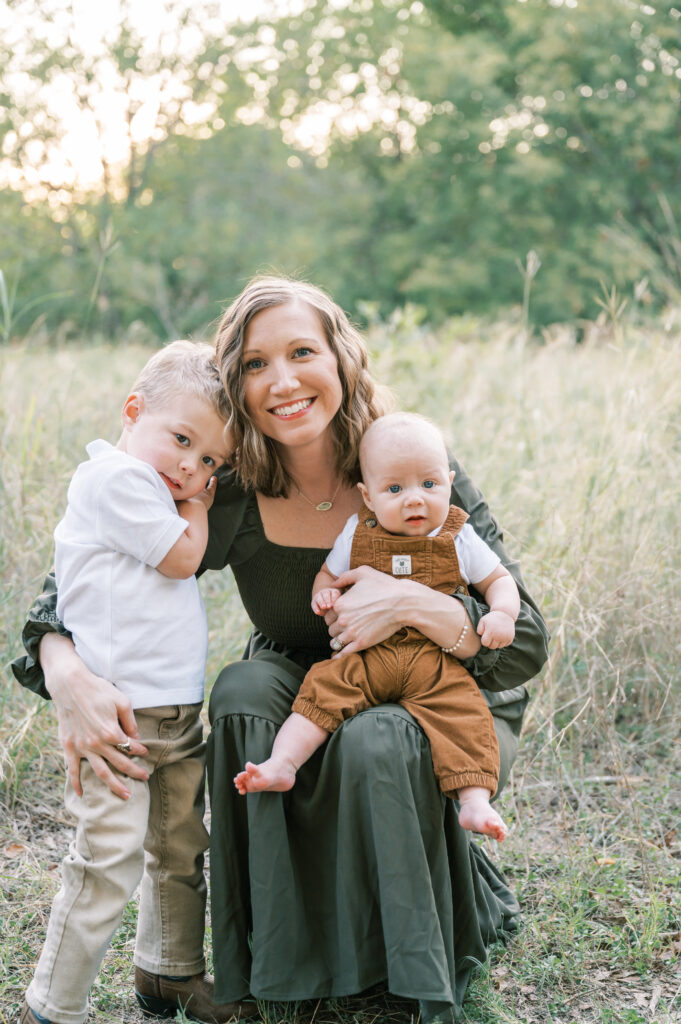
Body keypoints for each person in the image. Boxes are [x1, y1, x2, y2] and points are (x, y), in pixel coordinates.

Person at [13, 276, 549, 1024]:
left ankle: (408, 965)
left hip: (439, 693)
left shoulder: (405, 461)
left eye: (302, 352)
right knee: (241, 691)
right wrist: (66, 673)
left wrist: (414, 604)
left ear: (342, 358)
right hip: (310, 683)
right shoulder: (224, 484)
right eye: (256, 365)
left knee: (376, 736)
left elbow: (523, 641)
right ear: (236, 385)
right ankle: (278, 964)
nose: (283, 381)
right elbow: (74, 575)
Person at [17, 341, 248, 1024]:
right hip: (115, 715)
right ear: (132, 410)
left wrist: (196, 487)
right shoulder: (114, 479)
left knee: (179, 847)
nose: (191, 467)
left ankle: (168, 972)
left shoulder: (152, 483)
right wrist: (203, 501)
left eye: (211, 461)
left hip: (173, 708)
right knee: (107, 859)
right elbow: (182, 559)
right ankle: (53, 1007)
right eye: (182, 440)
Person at [234, 411, 520, 842]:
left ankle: (474, 801)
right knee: (320, 694)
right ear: (367, 496)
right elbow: (328, 575)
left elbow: (498, 580)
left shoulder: (458, 534)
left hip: (434, 664)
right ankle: (283, 764)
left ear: (448, 479)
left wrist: (501, 613)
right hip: (365, 656)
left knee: (464, 715)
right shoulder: (356, 533)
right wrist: (324, 596)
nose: (414, 500)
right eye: (394, 488)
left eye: (429, 484)